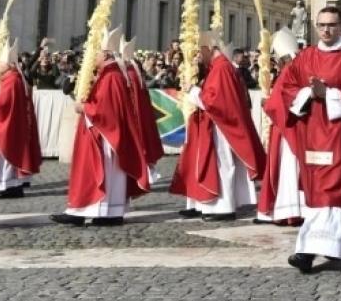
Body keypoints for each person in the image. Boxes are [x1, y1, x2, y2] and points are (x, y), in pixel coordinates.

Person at [270, 5, 341, 273]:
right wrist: (308, 92)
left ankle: (306, 251)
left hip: (340, 134)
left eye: (331, 25)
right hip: (313, 132)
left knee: (334, 187)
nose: (326, 30)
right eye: (322, 25)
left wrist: (328, 94)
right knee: (317, 187)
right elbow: (288, 87)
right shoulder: (305, 57)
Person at [51, 28, 151, 226]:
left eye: (94, 53)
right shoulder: (107, 73)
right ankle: (107, 213)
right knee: (109, 173)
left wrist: (84, 107)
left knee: (99, 172)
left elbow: (106, 110)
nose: (90, 57)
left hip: (104, 134)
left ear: (105, 54)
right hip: (103, 133)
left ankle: (88, 211)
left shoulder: (112, 76)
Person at [169, 29, 266, 221]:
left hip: (221, 126)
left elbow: (217, 102)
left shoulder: (222, 68)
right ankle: (208, 204)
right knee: (211, 163)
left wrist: (194, 91)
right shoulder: (217, 67)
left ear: (208, 48)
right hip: (212, 124)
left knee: (223, 164)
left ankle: (225, 207)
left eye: (200, 51)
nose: (199, 56)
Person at [255, 27, 304, 226]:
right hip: (293, 129)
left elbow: (280, 103)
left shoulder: (288, 73)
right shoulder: (298, 71)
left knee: (288, 171)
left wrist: (266, 103)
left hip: (287, 129)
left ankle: (288, 212)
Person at [0, 38, 42, 198]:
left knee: (3, 158)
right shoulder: (11, 79)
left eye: (1, 63)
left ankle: (4, 185)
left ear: (9, 65)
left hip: (5, 125)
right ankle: (8, 186)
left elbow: (4, 102)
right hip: (5, 123)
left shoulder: (12, 80)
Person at [119, 38, 165, 182]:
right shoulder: (129, 69)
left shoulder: (132, 69)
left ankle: (145, 170)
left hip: (136, 112)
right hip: (134, 112)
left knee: (141, 141)